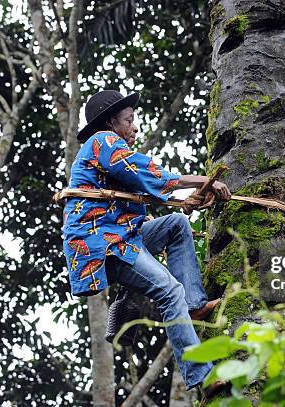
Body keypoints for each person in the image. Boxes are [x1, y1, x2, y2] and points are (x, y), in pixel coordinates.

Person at [61, 89, 231, 395]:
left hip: (123, 238)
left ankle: (193, 305)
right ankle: (200, 376)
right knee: (168, 290)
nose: (135, 126)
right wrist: (202, 181)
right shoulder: (103, 141)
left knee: (177, 225)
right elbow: (148, 173)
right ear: (112, 123)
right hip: (105, 247)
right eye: (129, 120)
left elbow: (135, 200)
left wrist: (185, 200)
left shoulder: (104, 155)